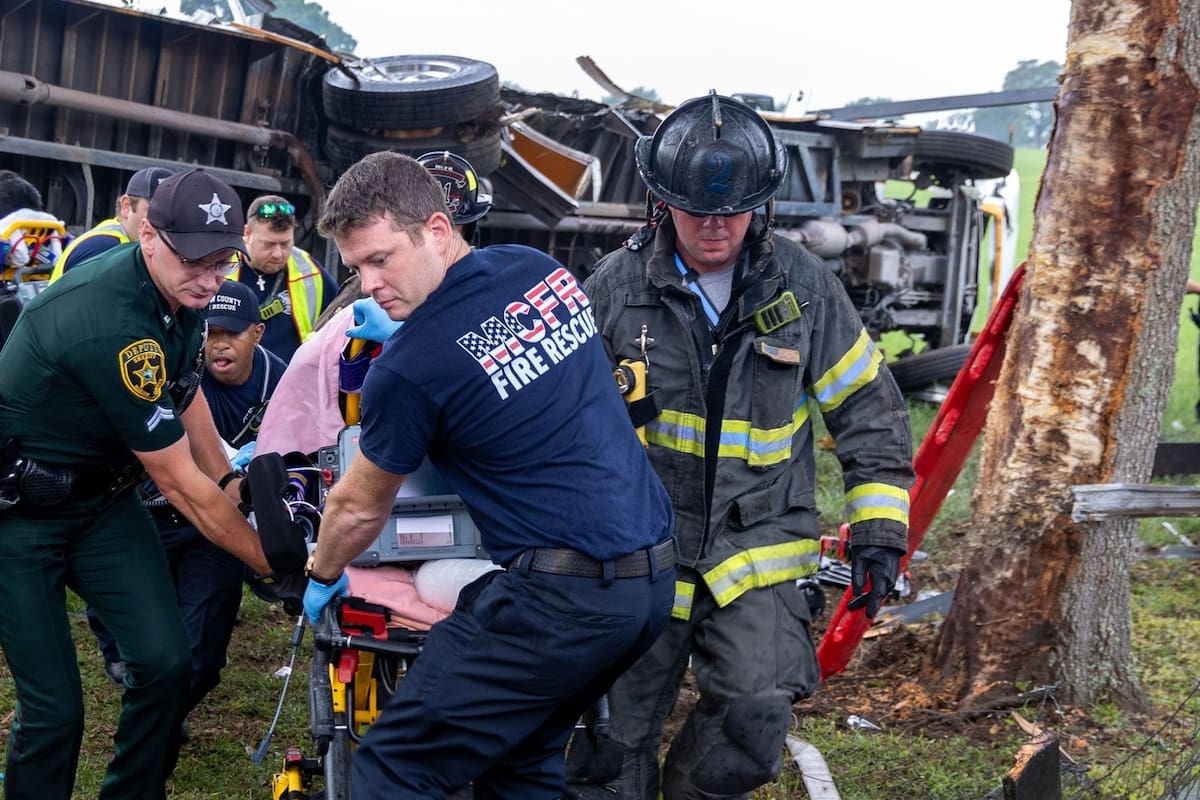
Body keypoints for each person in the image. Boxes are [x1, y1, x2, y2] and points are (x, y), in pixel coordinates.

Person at [564, 92, 915, 800]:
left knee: (752, 725)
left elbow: (869, 411)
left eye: (732, 209)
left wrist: (879, 533)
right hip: (640, 551)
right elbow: (564, 425)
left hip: (756, 553)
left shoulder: (806, 288)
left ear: (762, 204)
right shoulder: (617, 288)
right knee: (604, 745)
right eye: (697, 209)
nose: (715, 225)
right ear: (663, 203)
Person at [300, 151, 676, 799]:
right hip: (650, 585)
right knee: (521, 753)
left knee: (393, 766)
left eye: (381, 259)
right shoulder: (542, 273)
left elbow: (359, 509)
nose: (367, 284)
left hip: (559, 603)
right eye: (355, 266)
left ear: (438, 231)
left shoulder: (408, 370)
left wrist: (321, 574)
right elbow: (506, 369)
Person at [0, 167, 303, 800]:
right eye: (194, 260)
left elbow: (183, 388)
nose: (208, 278)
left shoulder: (183, 296)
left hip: (101, 500)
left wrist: (230, 475)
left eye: (222, 264)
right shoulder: (112, 321)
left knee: (167, 664)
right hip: (19, 514)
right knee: (55, 707)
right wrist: (280, 569)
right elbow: (181, 486)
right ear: (147, 234)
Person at [86, 280, 287, 720]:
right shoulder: (172, 371)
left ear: (256, 332)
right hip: (152, 511)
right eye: (210, 332)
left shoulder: (281, 383)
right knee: (129, 624)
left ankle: (162, 717)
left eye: (231, 333)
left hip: (219, 524)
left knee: (203, 650)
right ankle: (132, 676)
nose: (219, 345)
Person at [255, 149, 493, 458]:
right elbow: (313, 375)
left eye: (453, 231)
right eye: (362, 267)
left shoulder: (494, 291)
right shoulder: (365, 292)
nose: (442, 247)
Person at [224, 194, 337, 362]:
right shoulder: (220, 267)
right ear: (247, 233)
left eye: (285, 244)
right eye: (268, 244)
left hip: (289, 381)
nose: (278, 254)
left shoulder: (310, 272)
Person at [49, 166, 175, 280]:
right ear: (126, 206)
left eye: (173, 213)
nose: (165, 221)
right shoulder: (104, 248)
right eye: (155, 211)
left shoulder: (117, 240)